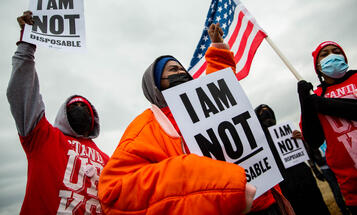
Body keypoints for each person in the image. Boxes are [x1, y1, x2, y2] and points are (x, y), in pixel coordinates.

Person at [98, 23, 256, 215]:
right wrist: (225, 185)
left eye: (182, 69)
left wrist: (218, 51)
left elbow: (221, 86)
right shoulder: (147, 125)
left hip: (267, 200)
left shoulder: (202, 103)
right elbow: (114, 191)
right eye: (172, 70)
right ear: (155, 85)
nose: (181, 73)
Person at [7, 11, 109, 214]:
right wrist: (26, 45)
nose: (79, 109)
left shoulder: (108, 160)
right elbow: (23, 93)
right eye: (73, 107)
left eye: (84, 108)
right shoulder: (42, 137)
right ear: (64, 114)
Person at [297, 41, 357, 214]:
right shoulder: (315, 97)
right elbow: (314, 140)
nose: (332, 55)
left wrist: (323, 104)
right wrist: (304, 101)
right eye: (325, 54)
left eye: (336, 51)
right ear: (318, 66)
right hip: (352, 187)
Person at [254, 104, 330, 215]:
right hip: (285, 186)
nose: (265, 114)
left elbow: (308, 153)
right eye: (261, 112)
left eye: (267, 110)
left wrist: (301, 139)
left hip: (304, 179)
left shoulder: (287, 133)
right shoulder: (260, 142)